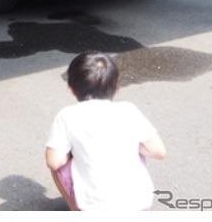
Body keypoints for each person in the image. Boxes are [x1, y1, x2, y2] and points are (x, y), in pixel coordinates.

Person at [45, 52, 166, 211]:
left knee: (57, 157)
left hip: (96, 208)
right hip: (140, 204)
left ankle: (76, 210)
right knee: (139, 149)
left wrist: (74, 152)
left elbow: (54, 161)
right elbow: (159, 152)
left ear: (72, 88)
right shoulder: (129, 110)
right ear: (116, 88)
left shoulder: (67, 116)